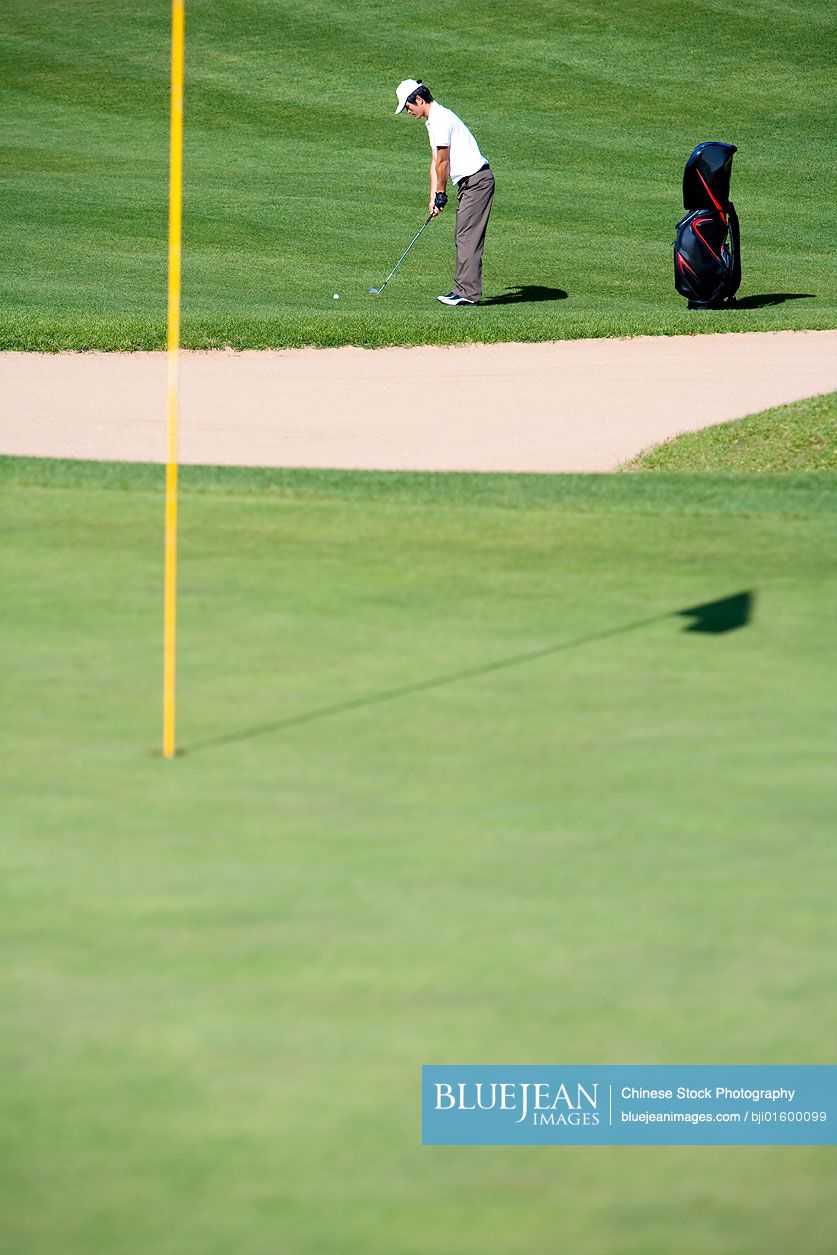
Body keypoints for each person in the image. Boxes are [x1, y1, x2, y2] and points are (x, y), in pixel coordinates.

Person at [394, 79, 494, 306]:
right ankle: (462, 290)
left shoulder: (440, 119)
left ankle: (468, 294)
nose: (408, 111)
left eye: (408, 107)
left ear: (419, 100)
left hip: (477, 181)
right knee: (464, 236)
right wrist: (434, 196)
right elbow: (435, 161)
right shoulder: (434, 120)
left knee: (467, 237)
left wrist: (442, 192)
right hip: (471, 183)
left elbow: (443, 162)